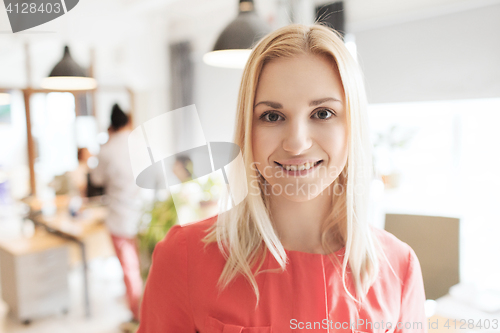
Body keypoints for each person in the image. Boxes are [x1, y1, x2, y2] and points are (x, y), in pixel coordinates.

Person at [137, 24, 427, 333]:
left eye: (323, 113)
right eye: (272, 116)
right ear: (248, 129)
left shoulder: (399, 267)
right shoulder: (184, 257)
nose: (297, 143)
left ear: (352, 125)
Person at [90, 104, 143, 330]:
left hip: (120, 219)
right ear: (128, 122)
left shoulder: (107, 149)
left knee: (130, 270)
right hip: (145, 216)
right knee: (147, 266)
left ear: (111, 124)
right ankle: (147, 312)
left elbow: (96, 179)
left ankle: (138, 316)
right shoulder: (140, 144)